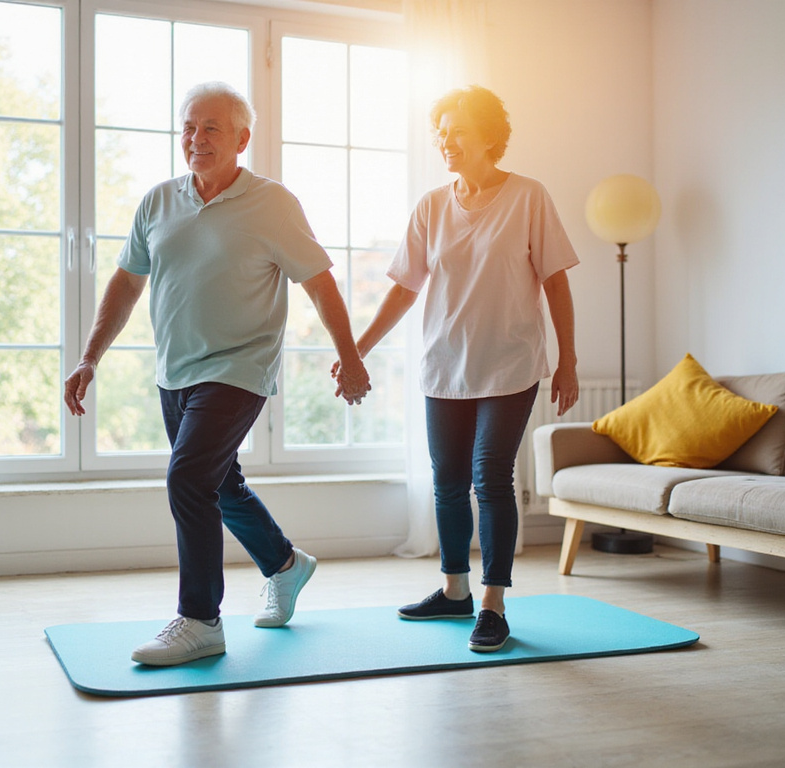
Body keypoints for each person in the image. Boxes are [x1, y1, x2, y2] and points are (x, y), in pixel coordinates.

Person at [63, 82, 371, 667]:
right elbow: (127, 283)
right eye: (188, 127)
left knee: (186, 478)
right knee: (218, 484)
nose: (195, 138)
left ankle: (201, 619)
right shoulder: (158, 202)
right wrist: (89, 357)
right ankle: (285, 564)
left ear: (241, 139)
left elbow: (319, 280)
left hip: (239, 367)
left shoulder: (273, 203)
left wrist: (350, 356)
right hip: (174, 370)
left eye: (210, 128)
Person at [341, 85, 579, 653]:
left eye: (457, 131)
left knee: (489, 477)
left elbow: (555, 281)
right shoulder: (430, 205)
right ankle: (454, 592)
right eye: (440, 132)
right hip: (444, 364)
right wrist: (359, 348)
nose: (445, 141)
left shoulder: (528, 196)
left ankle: (494, 604)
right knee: (446, 482)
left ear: (489, 137)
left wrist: (568, 359)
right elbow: (404, 287)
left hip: (510, 363)